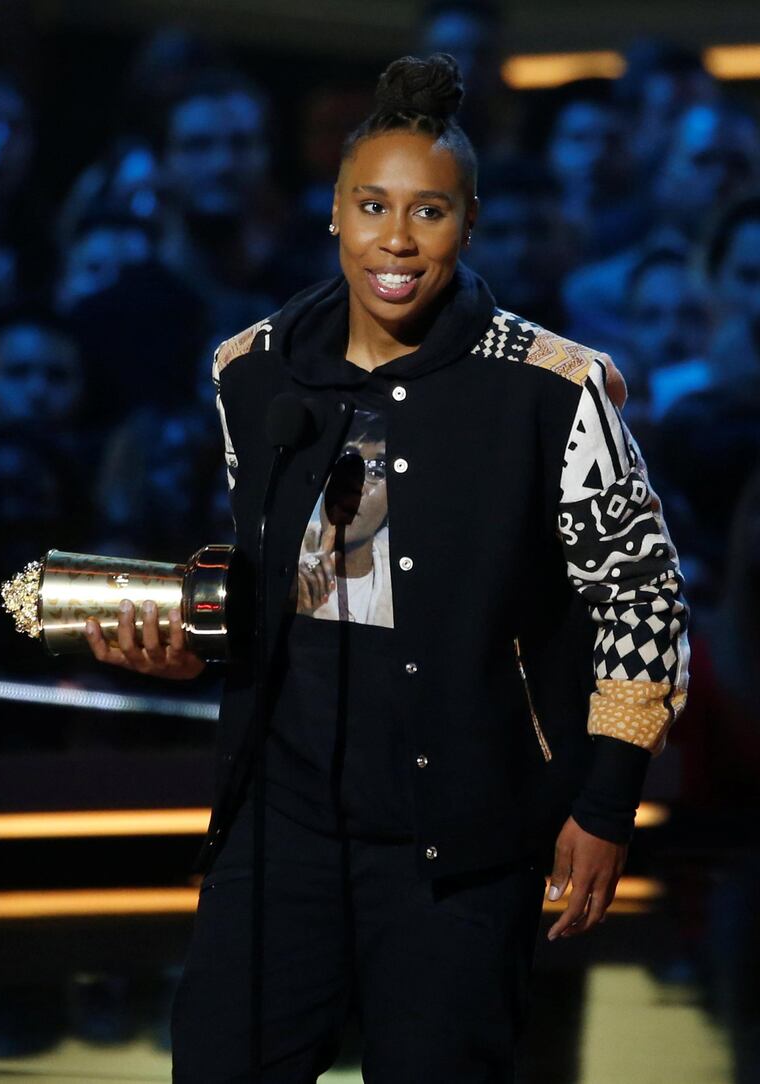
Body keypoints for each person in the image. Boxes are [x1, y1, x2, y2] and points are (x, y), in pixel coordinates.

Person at [83, 54, 689, 1083]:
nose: (395, 241)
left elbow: (638, 594)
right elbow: (307, 578)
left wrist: (602, 802)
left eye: (428, 212)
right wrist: (193, 640)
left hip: (460, 840)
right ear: (332, 212)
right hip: (278, 832)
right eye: (371, 206)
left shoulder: (550, 388)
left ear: (468, 221)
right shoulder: (251, 368)